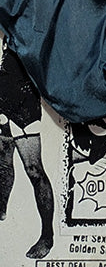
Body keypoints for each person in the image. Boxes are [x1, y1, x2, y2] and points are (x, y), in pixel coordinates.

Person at [0, 38, 54, 259]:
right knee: (3, 158)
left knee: (33, 169)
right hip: (2, 94)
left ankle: (47, 236)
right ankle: (2, 209)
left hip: (24, 99)